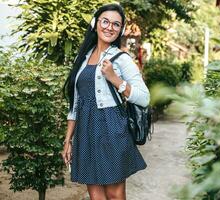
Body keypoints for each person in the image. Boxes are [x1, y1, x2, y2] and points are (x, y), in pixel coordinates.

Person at [62, 3, 150, 200]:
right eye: (105, 21)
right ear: (95, 23)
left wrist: (115, 79)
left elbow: (144, 98)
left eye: (116, 24)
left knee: (114, 194)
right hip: (85, 131)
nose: (110, 27)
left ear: (120, 30)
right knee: (95, 196)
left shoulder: (121, 59)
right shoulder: (83, 58)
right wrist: (68, 140)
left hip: (111, 127)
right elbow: (75, 104)